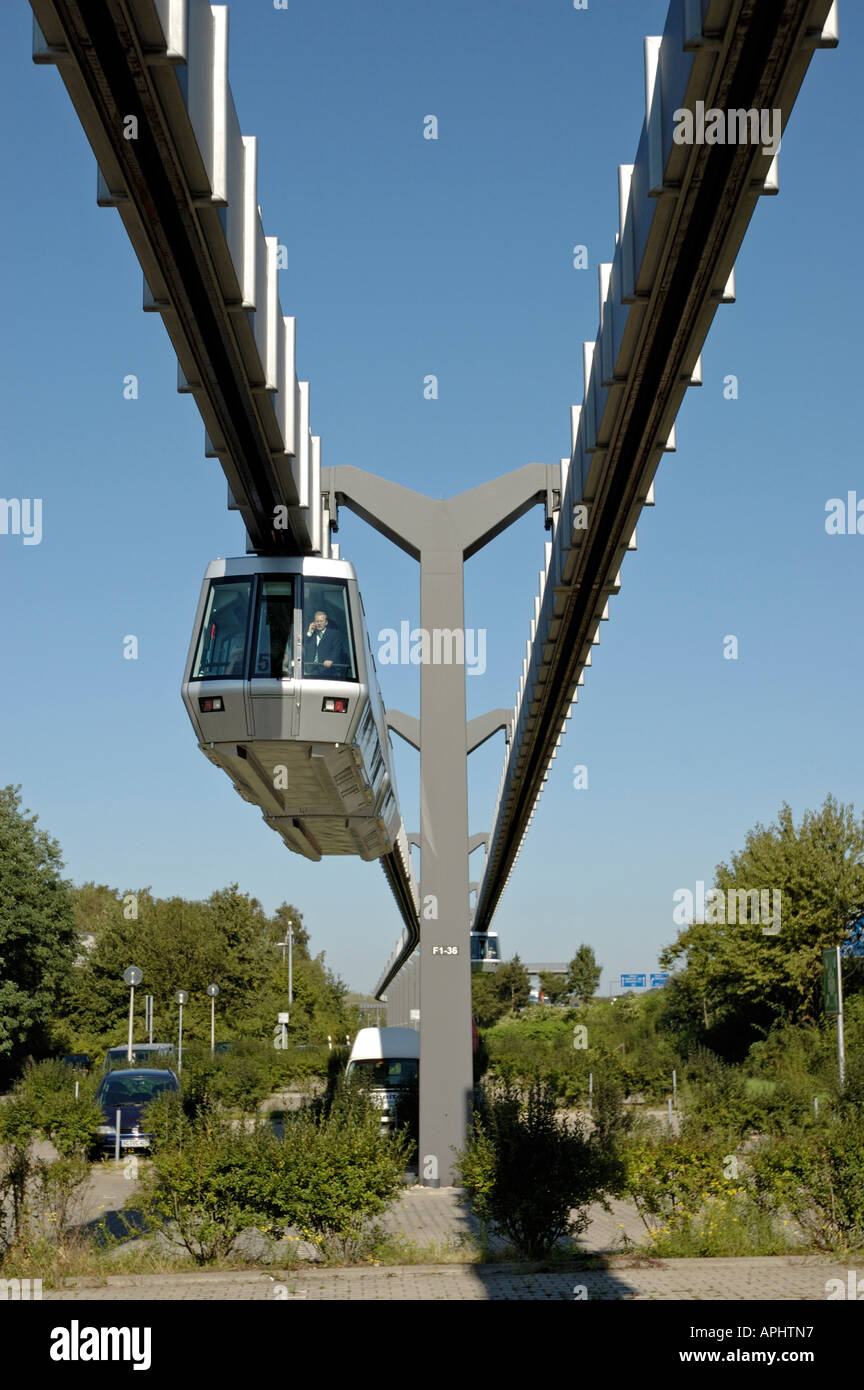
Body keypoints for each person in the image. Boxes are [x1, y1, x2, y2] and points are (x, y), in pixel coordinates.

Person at [303, 609, 347, 676]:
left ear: (326, 622)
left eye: (321, 621)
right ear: (314, 622)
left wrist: (331, 660)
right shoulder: (311, 635)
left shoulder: (334, 634)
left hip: (327, 671)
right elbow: (303, 647)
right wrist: (309, 633)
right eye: (317, 621)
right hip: (310, 671)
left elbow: (337, 649)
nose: (319, 623)